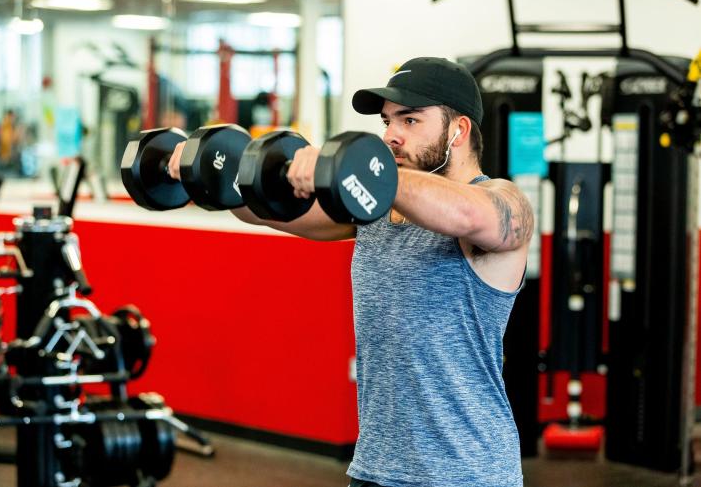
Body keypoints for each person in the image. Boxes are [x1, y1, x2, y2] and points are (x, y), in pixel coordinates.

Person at [169, 56, 532, 487]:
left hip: (465, 472)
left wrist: (357, 167)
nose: (391, 136)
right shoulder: (375, 210)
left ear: (459, 129)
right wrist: (208, 172)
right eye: (387, 122)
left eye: (410, 121)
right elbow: (273, 211)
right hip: (376, 468)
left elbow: (469, 215)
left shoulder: (500, 202)